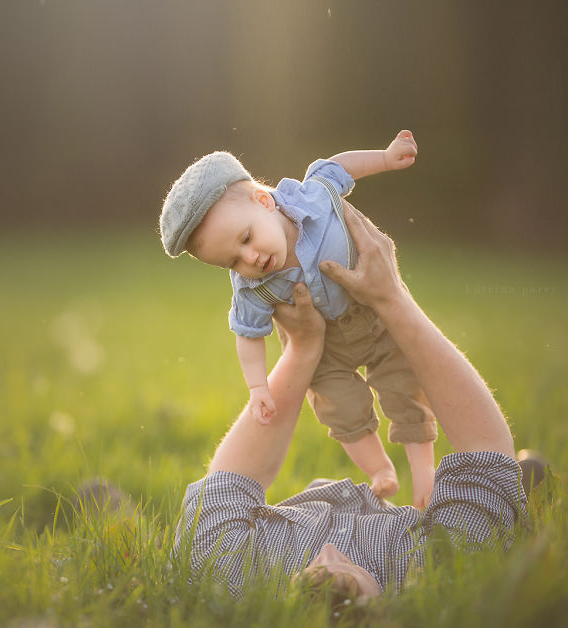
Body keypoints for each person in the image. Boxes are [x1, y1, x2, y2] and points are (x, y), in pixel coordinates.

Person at [172, 202, 531, 602]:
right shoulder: (439, 570)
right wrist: (391, 299)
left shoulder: (231, 571)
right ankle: (534, 483)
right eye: (342, 591)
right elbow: (487, 453)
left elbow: (226, 487)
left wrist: (304, 348)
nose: (326, 558)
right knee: (521, 479)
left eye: (313, 584)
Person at [159, 131, 436, 508]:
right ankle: (379, 470)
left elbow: (340, 165)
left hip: (374, 319)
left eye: (246, 239)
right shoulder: (250, 288)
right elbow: (248, 335)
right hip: (327, 353)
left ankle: (425, 479)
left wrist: (386, 158)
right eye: (232, 261)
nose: (250, 260)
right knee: (339, 408)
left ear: (264, 201)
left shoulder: (315, 198)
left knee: (404, 385)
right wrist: (258, 388)